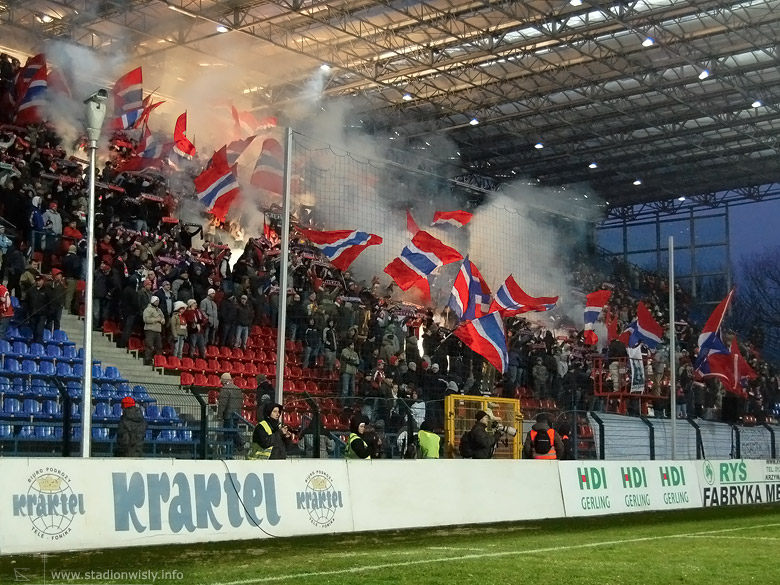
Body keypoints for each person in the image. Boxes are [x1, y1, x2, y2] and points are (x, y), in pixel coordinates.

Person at [217, 372, 244, 452]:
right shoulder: (238, 389)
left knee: (228, 434)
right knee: (233, 431)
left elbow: (222, 404)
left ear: (224, 381)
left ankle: (237, 444)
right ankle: (234, 447)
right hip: (237, 415)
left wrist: (219, 415)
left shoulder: (225, 389)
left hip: (228, 415)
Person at [142, 296, 165, 365]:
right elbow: (146, 319)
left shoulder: (159, 310)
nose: (157, 302)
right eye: (156, 301)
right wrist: (156, 319)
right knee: (149, 346)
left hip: (158, 331)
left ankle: (158, 361)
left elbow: (163, 317)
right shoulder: (148, 309)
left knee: (159, 347)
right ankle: (147, 360)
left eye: (158, 301)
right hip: (150, 330)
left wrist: (163, 320)